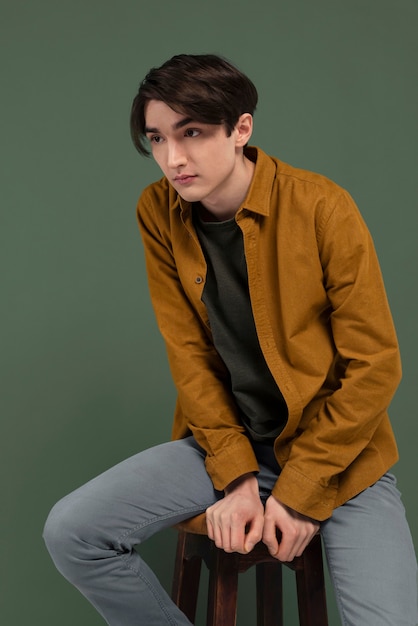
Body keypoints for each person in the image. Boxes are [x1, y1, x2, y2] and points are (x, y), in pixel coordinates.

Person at [43, 53, 418, 625]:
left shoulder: (322, 206)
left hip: (339, 454)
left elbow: (375, 365)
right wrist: (237, 477)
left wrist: (299, 493)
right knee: (73, 532)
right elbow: (190, 355)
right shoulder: (158, 211)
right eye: (157, 139)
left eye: (191, 133)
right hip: (227, 445)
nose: (173, 158)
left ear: (241, 128)